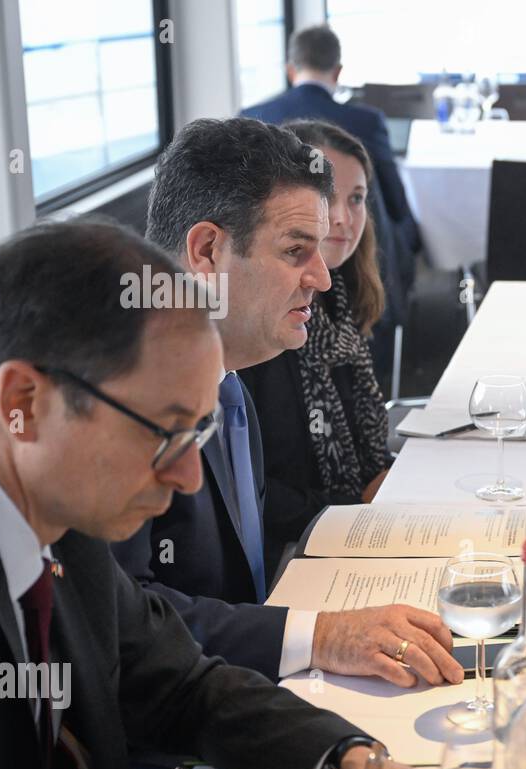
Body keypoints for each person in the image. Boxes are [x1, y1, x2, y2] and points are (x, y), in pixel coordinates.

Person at [0, 220, 461, 769]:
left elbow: (182, 687)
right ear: (26, 402)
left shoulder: (60, 517)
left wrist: (353, 767)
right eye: (167, 431)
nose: (188, 475)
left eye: (198, 432)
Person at [110, 117, 462, 691]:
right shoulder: (120, 402)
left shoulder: (231, 382)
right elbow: (128, 624)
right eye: (297, 251)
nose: (322, 279)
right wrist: (319, 636)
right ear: (205, 251)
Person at [241, 120, 392, 569]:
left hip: (355, 520)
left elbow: (368, 443)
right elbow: (254, 492)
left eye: (357, 199)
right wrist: (349, 505)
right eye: (328, 199)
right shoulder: (260, 325)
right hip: (296, 546)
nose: (343, 218)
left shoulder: (343, 296)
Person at [241, 23, 419, 385]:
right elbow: (395, 200)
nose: (339, 216)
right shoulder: (366, 120)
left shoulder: (250, 117)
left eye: (354, 197)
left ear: (291, 70)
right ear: (337, 72)